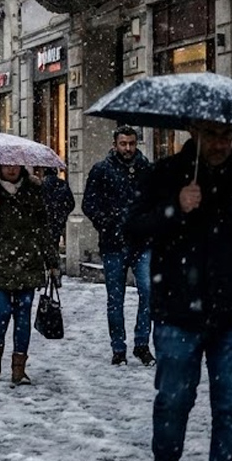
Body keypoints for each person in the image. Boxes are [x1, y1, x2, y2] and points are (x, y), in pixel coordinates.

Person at [125, 120, 232, 461]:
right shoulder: (164, 173)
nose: (220, 144)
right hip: (177, 310)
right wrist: (175, 206)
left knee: (231, 408)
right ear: (193, 130)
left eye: (227, 135)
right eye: (212, 134)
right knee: (173, 402)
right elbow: (133, 228)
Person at [83, 124, 155, 366]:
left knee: (148, 292)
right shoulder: (101, 170)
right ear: (115, 145)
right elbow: (89, 204)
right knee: (115, 299)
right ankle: (118, 348)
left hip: (142, 242)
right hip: (113, 244)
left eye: (131, 143)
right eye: (123, 143)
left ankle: (142, 344)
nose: (128, 148)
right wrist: (107, 222)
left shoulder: (146, 169)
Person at [0, 165, 57, 386]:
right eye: (7, 164)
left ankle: (19, 368)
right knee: (1, 312)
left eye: (15, 164)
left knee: (23, 314)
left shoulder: (33, 190)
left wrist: (52, 262)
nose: (12, 169)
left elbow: (43, 228)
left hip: (28, 261)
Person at [35, 166, 75, 257]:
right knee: (54, 242)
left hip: (45, 220)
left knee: (44, 244)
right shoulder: (63, 184)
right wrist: (63, 214)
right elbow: (71, 203)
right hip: (58, 220)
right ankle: (54, 260)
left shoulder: (41, 185)